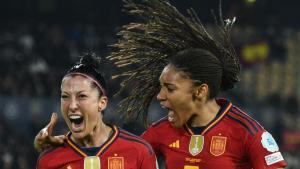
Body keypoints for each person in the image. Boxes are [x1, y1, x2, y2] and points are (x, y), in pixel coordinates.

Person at [35, 0, 287, 168]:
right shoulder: (160, 133)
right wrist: (70, 143)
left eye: (170, 89)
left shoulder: (248, 134)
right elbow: (119, 150)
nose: (159, 97)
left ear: (200, 92)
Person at [35, 53, 157, 169]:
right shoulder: (48, 160)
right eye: (65, 97)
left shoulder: (139, 152)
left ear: (102, 103)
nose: (72, 106)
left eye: (82, 96)